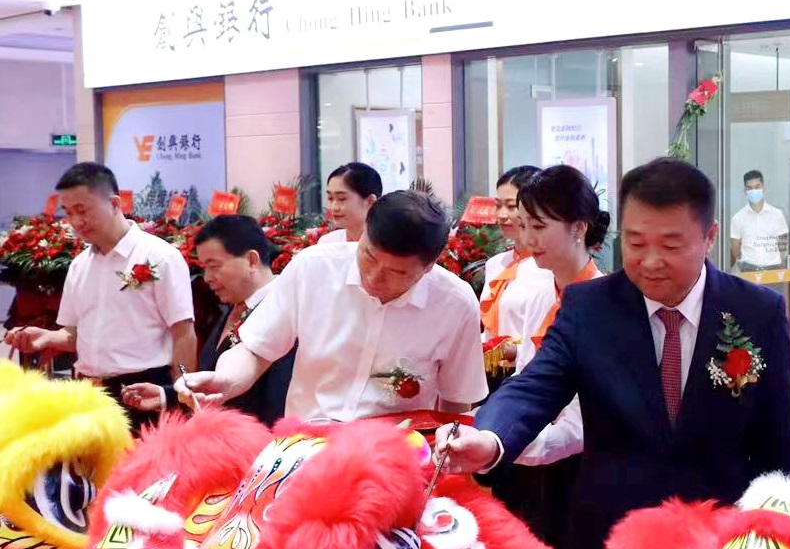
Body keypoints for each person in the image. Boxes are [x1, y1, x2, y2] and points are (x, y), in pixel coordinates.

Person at [438, 157, 790, 549]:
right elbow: (535, 385)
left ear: (710, 237)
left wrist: (780, 535)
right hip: (610, 540)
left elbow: (778, 440)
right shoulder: (589, 307)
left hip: (721, 544)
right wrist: (489, 437)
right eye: (635, 243)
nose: (650, 261)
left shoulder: (757, 312)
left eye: (671, 246)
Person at [180, 191, 488, 422]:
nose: (374, 277)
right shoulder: (313, 268)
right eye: (368, 256)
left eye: (396, 272)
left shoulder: (455, 304)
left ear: (429, 266)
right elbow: (256, 350)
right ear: (363, 233)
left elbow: (456, 400)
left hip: (394, 459)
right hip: (306, 448)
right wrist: (227, 380)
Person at [3, 162, 195, 431]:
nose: (76, 222)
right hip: (91, 393)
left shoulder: (161, 257)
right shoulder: (79, 265)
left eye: (83, 210)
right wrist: (46, 337)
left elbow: (183, 333)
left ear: (115, 203)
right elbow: (74, 333)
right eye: (68, 212)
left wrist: (181, 396)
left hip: (143, 390)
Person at [489, 165, 610, 549]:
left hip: (581, 470)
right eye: (523, 226)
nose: (527, 239)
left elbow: (587, 420)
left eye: (538, 227)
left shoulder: (605, 304)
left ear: (579, 228)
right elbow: (529, 381)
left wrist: (507, 443)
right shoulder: (538, 291)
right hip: (534, 457)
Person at [120, 215, 293, 427]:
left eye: (214, 266)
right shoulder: (229, 309)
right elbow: (216, 382)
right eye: (204, 268)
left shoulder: (286, 309)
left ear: (251, 261)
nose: (207, 277)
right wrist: (167, 395)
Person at [480, 165, 544, 347]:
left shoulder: (547, 267)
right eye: (497, 205)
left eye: (511, 206)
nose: (502, 215)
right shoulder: (495, 264)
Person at [729, 169, 788, 271]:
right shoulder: (738, 218)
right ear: (745, 190)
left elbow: (783, 244)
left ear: (763, 187)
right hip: (748, 269)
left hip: (773, 269)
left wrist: (778, 260)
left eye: (757, 187)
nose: (754, 191)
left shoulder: (777, 215)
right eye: (750, 188)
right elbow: (735, 248)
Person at [317, 162, 383, 244]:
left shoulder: (389, 244)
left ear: (370, 201)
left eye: (342, 198)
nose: (333, 207)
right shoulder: (327, 243)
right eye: (330, 198)